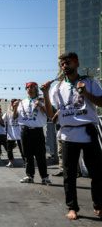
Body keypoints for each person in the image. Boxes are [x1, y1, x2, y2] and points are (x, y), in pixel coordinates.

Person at [41, 52, 102, 220]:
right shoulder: (58, 87)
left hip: (88, 132)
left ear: (77, 64)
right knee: (69, 175)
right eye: (62, 64)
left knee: (97, 173)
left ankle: (98, 205)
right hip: (67, 135)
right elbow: (49, 113)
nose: (64, 66)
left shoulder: (90, 82)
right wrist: (45, 93)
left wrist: (85, 93)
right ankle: (72, 207)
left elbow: (101, 102)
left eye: (68, 62)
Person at [13, 82, 51, 186]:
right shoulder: (22, 102)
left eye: (31, 87)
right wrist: (15, 107)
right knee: (27, 155)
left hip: (37, 130)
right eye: (28, 87)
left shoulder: (41, 101)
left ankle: (44, 177)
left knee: (40, 155)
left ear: (36, 89)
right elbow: (15, 117)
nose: (29, 89)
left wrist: (41, 106)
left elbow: (49, 113)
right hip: (25, 131)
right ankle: (29, 176)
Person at [2, 99, 25, 168]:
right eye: (15, 104)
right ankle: (10, 162)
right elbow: (2, 121)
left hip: (20, 134)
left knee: (23, 150)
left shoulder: (21, 112)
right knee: (9, 150)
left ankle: (25, 162)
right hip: (11, 134)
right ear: (12, 104)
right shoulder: (8, 113)